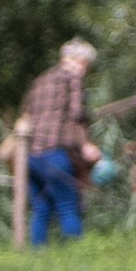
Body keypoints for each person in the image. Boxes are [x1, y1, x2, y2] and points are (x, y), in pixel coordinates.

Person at [20, 38, 99, 245]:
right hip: (55, 153)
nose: (85, 71)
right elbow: (77, 115)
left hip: (31, 156)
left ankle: (38, 257)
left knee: (41, 208)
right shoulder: (73, 79)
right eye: (86, 65)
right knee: (69, 205)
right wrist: (85, 145)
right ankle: (75, 256)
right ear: (77, 60)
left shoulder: (41, 80)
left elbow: (27, 115)